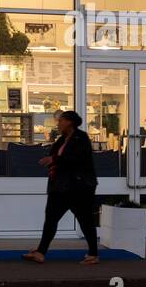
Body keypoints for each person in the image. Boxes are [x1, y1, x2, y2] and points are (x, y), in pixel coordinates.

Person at [22, 110, 99, 265]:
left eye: (61, 121)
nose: (58, 124)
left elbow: (77, 158)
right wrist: (51, 160)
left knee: (85, 219)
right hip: (61, 185)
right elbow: (55, 156)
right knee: (51, 218)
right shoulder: (62, 139)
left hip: (78, 187)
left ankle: (93, 254)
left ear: (69, 122)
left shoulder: (81, 137)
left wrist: (54, 159)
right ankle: (41, 252)